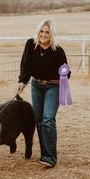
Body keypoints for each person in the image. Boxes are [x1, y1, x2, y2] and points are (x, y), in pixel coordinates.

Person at [17, 19, 71, 168]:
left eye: (47, 32)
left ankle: (50, 157)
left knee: (48, 119)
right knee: (39, 120)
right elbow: (25, 65)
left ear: (51, 34)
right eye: (41, 31)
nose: (43, 34)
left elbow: (66, 72)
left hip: (53, 86)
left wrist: (65, 73)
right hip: (36, 85)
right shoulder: (31, 45)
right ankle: (44, 154)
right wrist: (22, 81)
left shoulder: (57, 51)